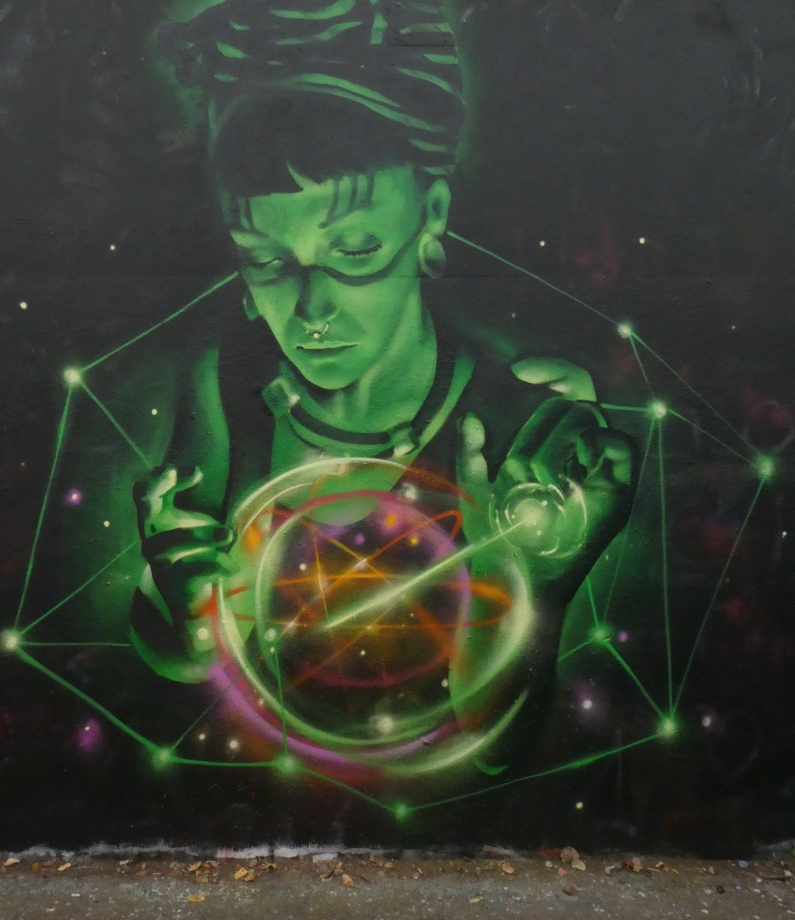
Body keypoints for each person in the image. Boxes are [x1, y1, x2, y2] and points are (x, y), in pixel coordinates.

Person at [131, 0, 636, 781]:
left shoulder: (509, 433)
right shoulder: (230, 382)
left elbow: (495, 748)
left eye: (356, 250)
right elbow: (175, 645)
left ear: (430, 217)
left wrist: (540, 595)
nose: (311, 311)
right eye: (264, 259)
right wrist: (178, 608)